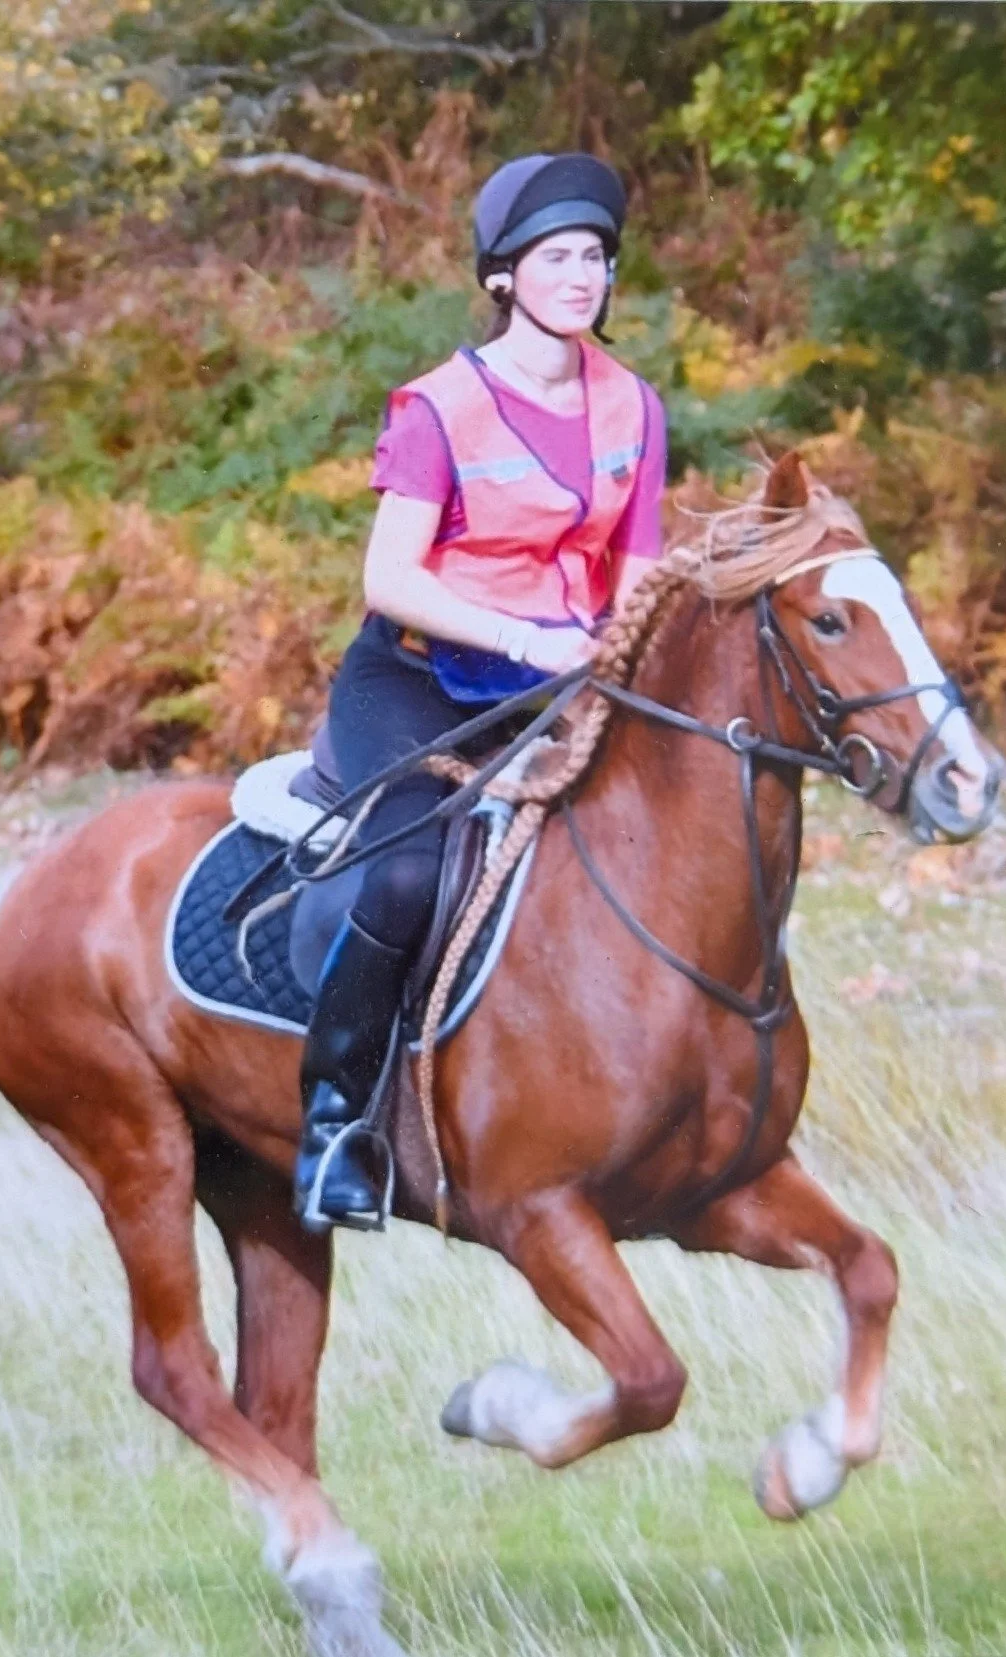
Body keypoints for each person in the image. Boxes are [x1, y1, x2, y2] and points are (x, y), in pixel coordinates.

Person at [295, 152, 669, 1233]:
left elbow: (638, 567)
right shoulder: (440, 408)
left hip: (556, 686)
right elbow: (388, 577)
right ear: (504, 276)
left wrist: (616, 658)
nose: (582, 276)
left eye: (594, 256)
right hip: (418, 678)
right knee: (410, 871)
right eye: (556, 257)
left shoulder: (634, 405)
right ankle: (336, 1127)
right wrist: (522, 635)